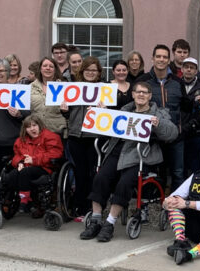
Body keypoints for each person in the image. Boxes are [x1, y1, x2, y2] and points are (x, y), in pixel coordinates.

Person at [82, 80, 178, 242]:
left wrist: (158, 125)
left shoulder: (158, 113)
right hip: (117, 152)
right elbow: (106, 123)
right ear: (132, 94)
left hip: (140, 156)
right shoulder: (124, 110)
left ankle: (110, 223)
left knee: (124, 182)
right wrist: (99, 114)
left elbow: (172, 133)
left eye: (144, 92)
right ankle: (96, 220)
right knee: (100, 177)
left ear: (149, 96)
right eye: (138, 92)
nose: (141, 95)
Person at [61, 56, 104, 217]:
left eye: (94, 70)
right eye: (88, 70)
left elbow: (110, 115)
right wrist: (64, 110)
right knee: (80, 173)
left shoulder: (104, 89)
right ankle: (79, 206)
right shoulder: (74, 88)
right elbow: (68, 113)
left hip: (94, 137)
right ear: (82, 71)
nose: (91, 73)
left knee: (93, 173)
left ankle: (93, 208)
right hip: (76, 135)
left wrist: (104, 109)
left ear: (99, 73)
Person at [138, 44, 183, 186]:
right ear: (152, 58)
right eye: (158, 56)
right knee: (153, 172)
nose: (161, 59)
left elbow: (186, 107)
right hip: (152, 136)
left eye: (165, 57)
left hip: (175, 135)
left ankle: (176, 205)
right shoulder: (143, 81)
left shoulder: (177, 82)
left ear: (169, 60)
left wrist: (182, 128)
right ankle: (153, 204)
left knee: (178, 172)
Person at [4, 115, 64, 219]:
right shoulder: (20, 140)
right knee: (12, 175)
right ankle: (16, 200)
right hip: (25, 167)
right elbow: (16, 155)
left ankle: (25, 201)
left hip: (44, 168)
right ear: (25, 129)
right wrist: (20, 162)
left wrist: (34, 160)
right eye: (28, 127)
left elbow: (55, 154)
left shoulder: (51, 137)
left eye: (34, 125)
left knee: (25, 172)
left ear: (39, 125)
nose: (32, 129)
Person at [178, 57, 200, 176]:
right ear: (182, 69)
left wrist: (195, 124)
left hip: (197, 132)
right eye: (186, 67)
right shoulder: (176, 84)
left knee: (197, 167)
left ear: (196, 71)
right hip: (180, 131)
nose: (189, 70)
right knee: (181, 167)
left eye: (192, 68)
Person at [29, 57, 68, 135]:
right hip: (36, 132)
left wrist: (65, 111)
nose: (48, 68)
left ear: (55, 70)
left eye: (51, 66)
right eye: (45, 66)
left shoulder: (64, 87)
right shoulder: (30, 87)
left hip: (57, 132)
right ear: (40, 69)